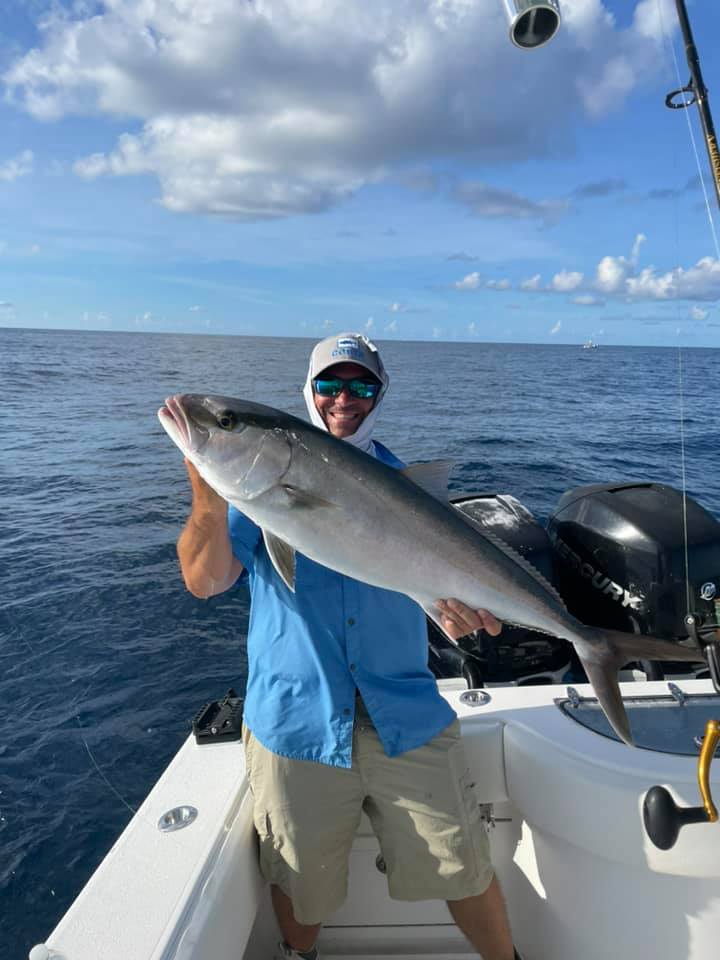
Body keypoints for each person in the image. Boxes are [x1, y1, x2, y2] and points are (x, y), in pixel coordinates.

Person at [177, 332, 519, 960]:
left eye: (361, 385)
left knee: (465, 871)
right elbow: (205, 581)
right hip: (296, 723)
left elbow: (436, 589)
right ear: (307, 391)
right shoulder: (251, 491)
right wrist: (207, 491)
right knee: (300, 889)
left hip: (406, 716)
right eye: (329, 384)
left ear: (379, 395)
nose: (344, 398)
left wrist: (461, 612)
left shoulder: (406, 490)